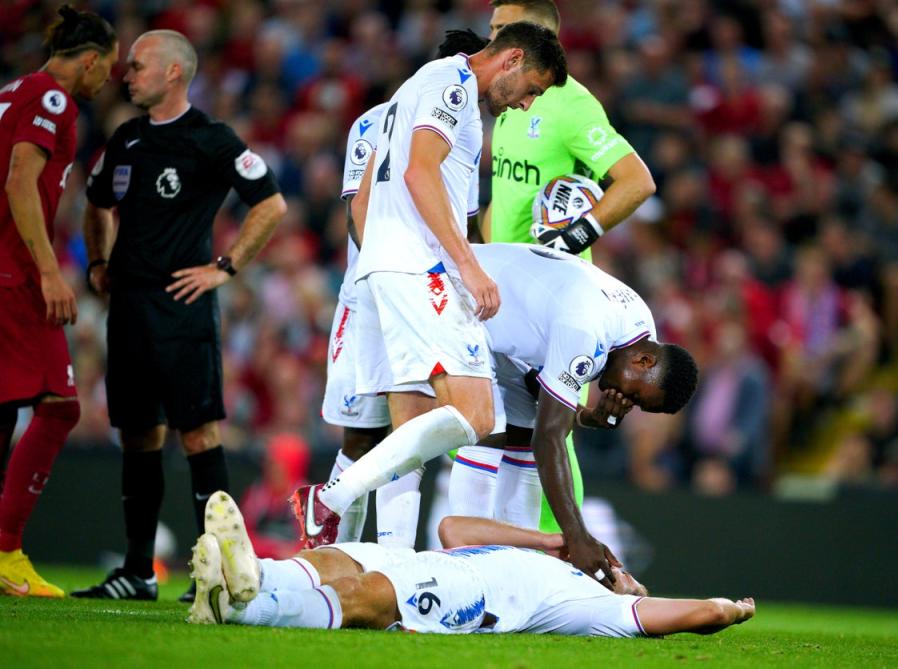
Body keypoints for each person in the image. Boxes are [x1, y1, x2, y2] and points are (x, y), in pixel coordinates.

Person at [293, 23, 567, 548]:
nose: (527, 103)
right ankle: (330, 498)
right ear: (510, 59)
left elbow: (370, 191)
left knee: (409, 432)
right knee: (478, 414)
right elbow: (419, 175)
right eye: (532, 87)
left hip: (387, 268)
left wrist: (377, 265)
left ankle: (391, 572)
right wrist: (465, 266)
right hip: (421, 270)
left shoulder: (416, 88)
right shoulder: (454, 86)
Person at [297, 243, 698, 586]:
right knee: (471, 421)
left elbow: (542, 405)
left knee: (516, 431)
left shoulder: (637, 325)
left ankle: (508, 574)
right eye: (636, 396)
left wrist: (592, 417)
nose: (625, 401)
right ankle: (343, 505)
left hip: (494, 327)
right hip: (447, 290)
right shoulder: (588, 330)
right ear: (644, 360)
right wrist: (577, 537)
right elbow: (551, 438)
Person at [72, 29, 287, 602]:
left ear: (173, 72)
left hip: (184, 307)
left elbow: (270, 202)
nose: (127, 73)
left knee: (197, 433)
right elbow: (95, 205)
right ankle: (139, 571)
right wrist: (98, 260)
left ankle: (213, 575)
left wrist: (226, 266)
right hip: (130, 307)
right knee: (138, 434)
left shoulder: (209, 139)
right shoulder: (125, 139)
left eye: (138, 65)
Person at [474, 0, 658, 539]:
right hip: (496, 288)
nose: (488, 40)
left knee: (551, 432)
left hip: (552, 297)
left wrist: (577, 235)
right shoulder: (505, 101)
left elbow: (636, 181)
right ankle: (499, 556)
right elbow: (504, 194)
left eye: (498, 30)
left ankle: (566, 554)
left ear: (529, 38)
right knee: (497, 429)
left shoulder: (573, 107)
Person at [322, 30, 489, 548]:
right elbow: (359, 211)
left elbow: (463, 221)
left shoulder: (449, 122)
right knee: (368, 436)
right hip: (387, 287)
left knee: (406, 429)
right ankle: (336, 557)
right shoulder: (382, 119)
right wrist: (391, 276)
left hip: (412, 288)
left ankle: (381, 565)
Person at [189, 492, 755, 638]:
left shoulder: (591, 605)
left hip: (467, 593)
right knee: (339, 556)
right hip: (436, 557)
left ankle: (242, 609)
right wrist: (553, 539)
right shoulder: (549, 557)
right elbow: (453, 529)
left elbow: (692, 612)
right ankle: (252, 577)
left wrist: (726, 610)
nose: (617, 567)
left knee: (371, 591)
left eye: (625, 569)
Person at [0, 5, 118, 598]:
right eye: (109, 68)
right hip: (15, 274)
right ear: (90, 60)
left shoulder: (13, 89)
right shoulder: (52, 99)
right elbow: (19, 180)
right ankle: (8, 551)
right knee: (60, 404)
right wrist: (49, 271)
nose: (108, 81)